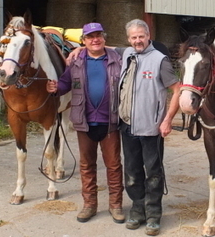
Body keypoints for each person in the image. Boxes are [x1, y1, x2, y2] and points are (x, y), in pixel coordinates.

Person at [46, 22, 125, 224]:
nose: (95, 39)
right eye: (90, 37)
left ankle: (116, 206)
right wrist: (56, 87)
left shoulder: (118, 58)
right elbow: (65, 83)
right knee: (87, 166)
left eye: (98, 35)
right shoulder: (76, 62)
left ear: (104, 37)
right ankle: (89, 205)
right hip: (85, 121)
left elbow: (141, 47)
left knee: (114, 166)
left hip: (111, 122)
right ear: (84, 41)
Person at [119, 19, 180, 236]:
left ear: (148, 35)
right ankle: (138, 209)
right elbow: (102, 49)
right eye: (133, 37)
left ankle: (154, 214)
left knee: (153, 172)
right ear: (129, 39)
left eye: (141, 36)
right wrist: (75, 52)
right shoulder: (127, 54)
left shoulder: (159, 59)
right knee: (132, 172)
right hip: (127, 125)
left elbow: (177, 89)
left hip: (151, 128)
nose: (137, 40)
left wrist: (167, 120)